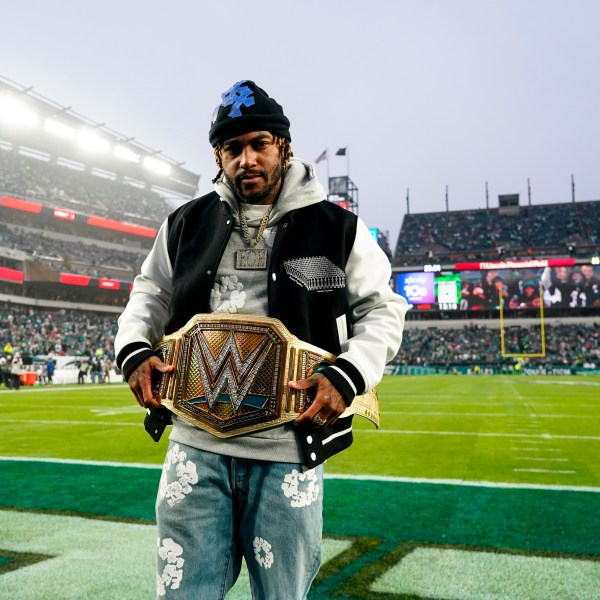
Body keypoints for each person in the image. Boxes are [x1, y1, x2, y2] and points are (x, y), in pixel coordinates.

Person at [114, 80, 408, 599]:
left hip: (288, 445)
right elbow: (150, 292)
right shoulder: (185, 223)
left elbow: (383, 308)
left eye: (258, 144)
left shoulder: (337, 228)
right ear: (219, 157)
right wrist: (135, 349)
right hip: (194, 444)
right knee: (182, 593)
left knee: (281, 595)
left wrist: (349, 375)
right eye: (232, 149)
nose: (246, 159)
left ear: (283, 147)